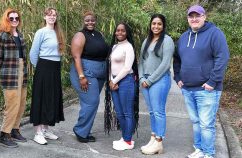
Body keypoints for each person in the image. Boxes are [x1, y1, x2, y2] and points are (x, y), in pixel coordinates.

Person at [173, 5, 229, 158]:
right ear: (188, 19)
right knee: (196, 122)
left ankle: (209, 154)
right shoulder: (184, 37)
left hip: (207, 89)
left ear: (204, 17)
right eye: (191, 16)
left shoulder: (215, 34)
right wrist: (177, 77)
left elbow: (222, 58)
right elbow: (176, 59)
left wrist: (212, 81)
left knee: (206, 124)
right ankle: (199, 149)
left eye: (198, 15)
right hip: (188, 89)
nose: (194, 19)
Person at [70, 11, 109, 143]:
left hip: (99, 74)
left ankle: (85, 130)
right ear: (83, 21)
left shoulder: (98, 34)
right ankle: (80, 130)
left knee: (90, 103)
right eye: (87, 20)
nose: (90, 22)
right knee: (92, 102)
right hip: (86, 73)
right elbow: (76, 57)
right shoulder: (80, 35)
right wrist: (81, 76)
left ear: (95, 21)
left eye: (92, 20)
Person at [138, 14, 175, 155]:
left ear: (163, 25)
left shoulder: (167, 40)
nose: (156, 26)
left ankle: (159, 142)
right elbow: (141, 61)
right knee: (152, 111)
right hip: (145, 81)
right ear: (150, 24)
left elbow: (165, 64)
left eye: (159, 24)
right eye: (154, 23)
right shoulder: (147, 40)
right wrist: (142, 78)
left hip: (159, 81)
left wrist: (149, 80)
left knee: (158, 112)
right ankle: (153, 138)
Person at [29, 7, 65, 145]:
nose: (52, 17)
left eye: (54, 15)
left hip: (55, 68)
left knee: (51, 98)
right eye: (49, 15)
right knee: (41, 99)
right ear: (44, 17)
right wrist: (41, 69)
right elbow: (33, 53)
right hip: (43, 68)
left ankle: (45, 129)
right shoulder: (41, 32)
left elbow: (59, 53)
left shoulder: (58, 32)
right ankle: (37, 133)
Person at [0, 8, 28, 148]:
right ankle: (4, 134)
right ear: (6, 19)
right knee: (12, 105)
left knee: (21, 103)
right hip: (9, 74)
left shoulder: (20, 35)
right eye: (11, 18)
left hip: (22, 71)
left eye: (16, 18)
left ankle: (15, 130)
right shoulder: (2, 36)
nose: (14, 20)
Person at [107, 22, 138, 151]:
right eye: (118, 30)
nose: (120, 33)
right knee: (119, 113)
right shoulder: (114, 46)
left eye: (123, 31)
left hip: (126, 81)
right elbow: (109, 65)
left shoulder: (129, 47)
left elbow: (127, 68)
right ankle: (125, 137)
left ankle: (128, 141)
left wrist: (115, 81)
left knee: (127, 113)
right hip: (114, 81)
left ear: (127, 33)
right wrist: (110, 80)